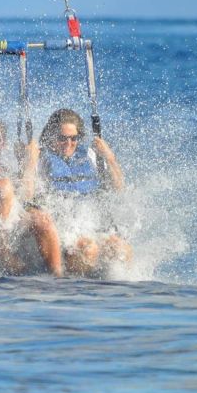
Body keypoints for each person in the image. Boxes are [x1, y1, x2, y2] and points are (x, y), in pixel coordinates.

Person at [25, 108, 132, 275]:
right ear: (52, 136)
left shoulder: (90, 154)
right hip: (65, 230)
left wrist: (109, 157)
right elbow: (26, 196)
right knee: (89, 249)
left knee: (120, 249)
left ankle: (115, 291)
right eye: (62, 138)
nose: (68, 143)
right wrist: (29, 162)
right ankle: (80, 290)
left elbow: (118, 188)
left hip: (92, 224)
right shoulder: (42, 158)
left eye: (73, 138)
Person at [0, 117, 63, 277]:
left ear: (2, 145)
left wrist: (29, 162)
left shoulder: (5, 168)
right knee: (4, 185)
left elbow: (26, 196)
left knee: (42, 219)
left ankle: (58, 276)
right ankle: (3, 253)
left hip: (10, 221)